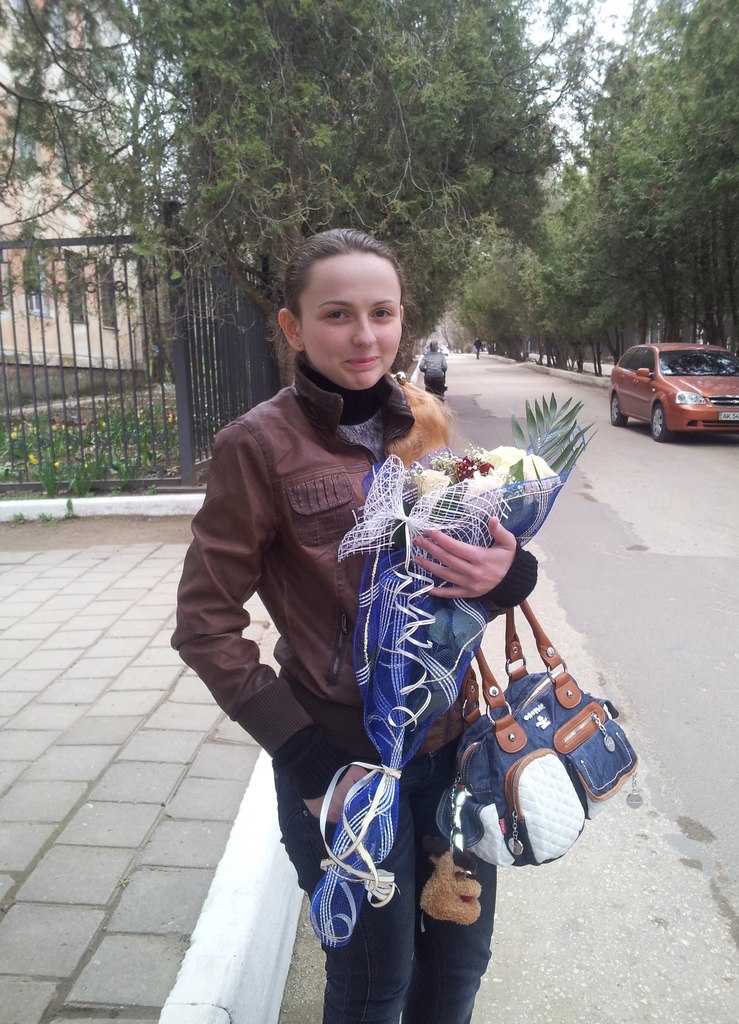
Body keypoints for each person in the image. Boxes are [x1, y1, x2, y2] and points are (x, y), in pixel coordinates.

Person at [171, 228, 538, 1024]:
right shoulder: (257, 446)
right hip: (347, 770)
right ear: (293, 327)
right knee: (375, 986)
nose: (365, 335)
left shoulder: (423, 423)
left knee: (457, 972)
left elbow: (461, 573)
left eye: (383, 312)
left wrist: (512, 576)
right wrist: (308, 762)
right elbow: (204, 625)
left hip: (455, 755)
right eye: (337, 314)